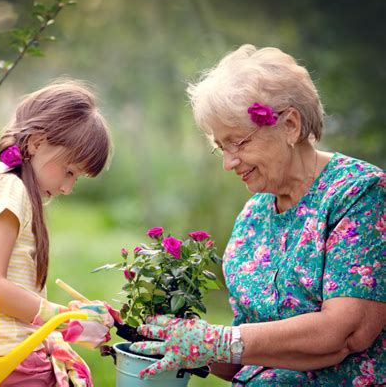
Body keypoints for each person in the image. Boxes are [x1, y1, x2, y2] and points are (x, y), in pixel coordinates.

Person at [130, 45, 385, 385]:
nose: (228, 162)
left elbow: (346, 331)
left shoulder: (359, 193)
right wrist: (170, 340)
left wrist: (217, 340)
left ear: (290, 125)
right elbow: (241, 356)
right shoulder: (252, 216)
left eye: (239, 143)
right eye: (221, 148)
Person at [0, 79, 119, 387]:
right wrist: (61, 321)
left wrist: (68, 315)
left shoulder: (6, 185)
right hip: (3, 355)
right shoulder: (9, 189)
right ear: (37, 143)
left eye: (76, 179)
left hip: (0, 347)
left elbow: (8, 285)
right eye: (69, 171)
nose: (67, 188)